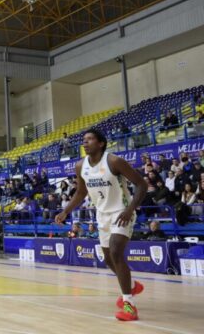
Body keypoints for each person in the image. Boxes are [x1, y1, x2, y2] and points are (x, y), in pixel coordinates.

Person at [56, 128, 147, 322]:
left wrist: (130, 209)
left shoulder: (114, 161)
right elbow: (81, 193)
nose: (85, 142)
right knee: (108, 259)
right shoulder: (80, 166)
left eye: (89, 139)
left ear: (101, 143)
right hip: (101, 214)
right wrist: (65, 211)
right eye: (84, 139)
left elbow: (142, 184)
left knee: (115, 251)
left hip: (121, 212)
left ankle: (129, 305)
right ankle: (131, 286)